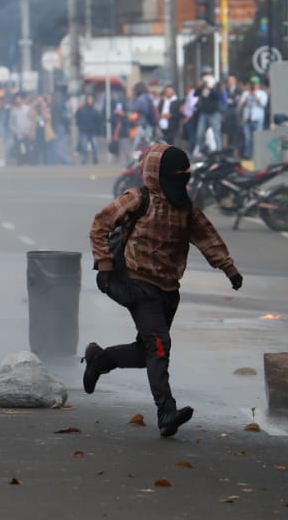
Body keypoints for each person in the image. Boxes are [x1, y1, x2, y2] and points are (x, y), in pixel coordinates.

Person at [84, 145, 243, 436]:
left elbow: (207, 236)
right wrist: (105, 264)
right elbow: (100, 225)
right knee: (160, 345)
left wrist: (228, 268)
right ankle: (166, 411)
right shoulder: (137, 198)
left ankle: (100, 359)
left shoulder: (185, 206)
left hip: (169, 289)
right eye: (175, 176)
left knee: (148, 352)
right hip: (137, 283)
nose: (181, 182)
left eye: (185, 176)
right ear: (157, 174)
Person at [238, 76, 268, 159]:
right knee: (248, 139)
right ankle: (248, 155)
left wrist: (255, 96)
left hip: (257, 119)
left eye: (255, 84)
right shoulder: (245, 93)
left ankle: (258, 155)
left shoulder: (262, 93)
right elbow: (241, 105)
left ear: (258, 85)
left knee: (257, 139)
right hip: (247, 118)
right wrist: (248, 97)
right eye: (252, 84)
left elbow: (263, 104)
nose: (253, 86)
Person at [74, 94, 103, 164]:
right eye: (88, 99)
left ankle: (95, 158)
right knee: (84, 147)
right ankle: (84, 159)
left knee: (95, 147)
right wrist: (78, 109)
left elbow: (99, 123)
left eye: (91, 99)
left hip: (93, 131)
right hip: (84, 131)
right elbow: (77, 119)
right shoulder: (82, 110)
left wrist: (100, 134)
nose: (90, 101)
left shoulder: (95, 111)